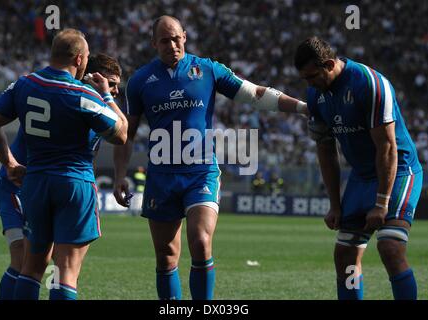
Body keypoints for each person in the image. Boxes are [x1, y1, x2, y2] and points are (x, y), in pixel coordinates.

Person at [113, 15, 307, 300]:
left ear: (185, 37)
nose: (172, 44)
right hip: (162, 176)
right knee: (166, 257)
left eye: (176, 38)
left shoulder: (207, 69)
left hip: (200, 172)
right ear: (154, 43)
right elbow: (125, 134)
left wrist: (303, 108)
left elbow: (254, 94)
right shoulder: (140, 80)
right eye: (164, 40)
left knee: (201, 242)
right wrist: (119, 175)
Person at [0, 28, 128, 300]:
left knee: (32, 266)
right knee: (60, 269)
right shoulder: (85, 97)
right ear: (82, 63)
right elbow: (121, 134)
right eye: (111, 83)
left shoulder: (27, 84)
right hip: (43, 183)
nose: (115, 90)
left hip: (34, 183)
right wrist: (105, 96)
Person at [295, 37, 423, 300]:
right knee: (345, 255)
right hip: (362, 176)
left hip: (398, 171)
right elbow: (325, 150)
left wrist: (382, 202)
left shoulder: (369, 83)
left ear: (329, 64)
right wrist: (335, 204)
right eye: (305, 79)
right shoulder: (315, 95)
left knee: (389, 247)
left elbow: (387, 148)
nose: (309, 84)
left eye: (312, 76)